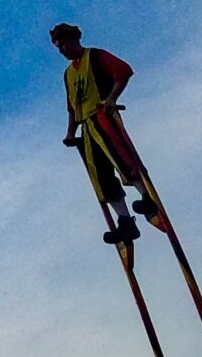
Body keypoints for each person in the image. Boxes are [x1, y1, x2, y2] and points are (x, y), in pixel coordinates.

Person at [51, 24, 165, 244]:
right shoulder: (68, 74)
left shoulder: (94, 56)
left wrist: (112, 98)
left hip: (103, 117)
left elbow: (123, 71)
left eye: (63, 44)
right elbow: (72, 107)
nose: (62, 50)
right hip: (86, 127)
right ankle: (125, 221)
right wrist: (70, 132)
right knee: (100, 176)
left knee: (122, 159)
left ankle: (146, 197)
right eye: (58, 47)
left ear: (74, 40)